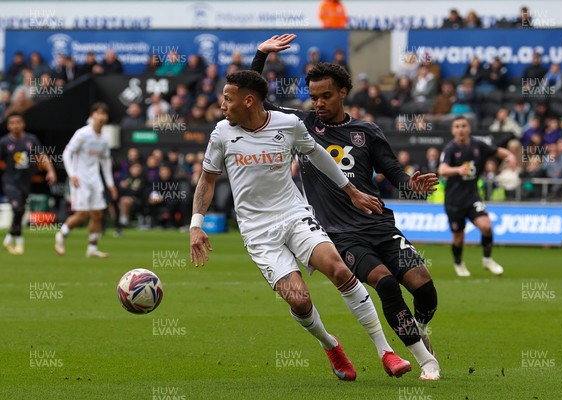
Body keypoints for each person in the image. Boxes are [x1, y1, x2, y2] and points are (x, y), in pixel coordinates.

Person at [190, 70, 411, 381]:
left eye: (228, 98)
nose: (222, 104)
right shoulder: (222, 134)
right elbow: (207, 180)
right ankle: (330, 344)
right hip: (258, 231)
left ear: (248, 100)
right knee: (299, 298)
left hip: (294, 215)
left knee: (339, 269)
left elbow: (317, 154)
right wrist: (196, 225)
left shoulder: (288, 125)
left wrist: (351, 191)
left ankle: (386, 351)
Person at [251, 34, 441, 380]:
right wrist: (261, 56)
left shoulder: (366, 131)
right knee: (384, 284)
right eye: (314, 97)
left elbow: (393, 172)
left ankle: (421, 326)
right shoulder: (302, 125)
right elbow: (256, 99)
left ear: (343, 92)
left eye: (326, 96)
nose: (319, 103)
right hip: (341, 234)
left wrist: (410, 183)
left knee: (425, 288)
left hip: (380, 226)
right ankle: (425, 360)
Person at [439, 116, 517, 277]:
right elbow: (442, 170)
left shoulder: (478, 145)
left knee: (486, 226)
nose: (461, 129)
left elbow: (496, 151)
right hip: (454, 201)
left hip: (473, 197)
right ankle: (459, 263)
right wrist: (458, 170)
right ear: (453, 130)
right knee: (458, 239)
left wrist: (509, 155)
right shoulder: (450, 149)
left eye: (463, 126)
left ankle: (487, 259)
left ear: (469, 128)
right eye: (457, 126)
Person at [55, 103, 117, 257]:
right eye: (98, 113)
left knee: (97, 214)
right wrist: (72, 174)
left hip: (95, 180)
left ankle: (92, 249)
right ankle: (61, 235)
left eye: (104, 113)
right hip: (80, 179)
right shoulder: (82, 133)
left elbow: (106, 161)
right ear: (92, 115)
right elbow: (67, 153)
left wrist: (110, 184)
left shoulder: (104, 138)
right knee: (82, 215)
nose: (101, 116)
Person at [0, 112, 57, 254]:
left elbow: (41, 156)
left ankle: (8, 239)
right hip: (10, 181)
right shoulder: (4, 142)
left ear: (23, 124)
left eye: (18, 122)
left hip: (25, 181)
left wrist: (51, 171)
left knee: (21, 210)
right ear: (8, 126)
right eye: (12, 123)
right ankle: (19, 241)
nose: (15, 126)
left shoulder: (31, 140)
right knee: (18, 208)